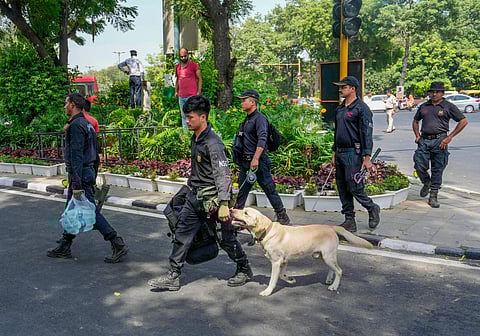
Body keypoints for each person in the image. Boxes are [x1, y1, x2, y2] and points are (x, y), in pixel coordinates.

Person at [148, 95, 252, 291]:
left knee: (225, 238)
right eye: (186, 117)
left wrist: (223, 203)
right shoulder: (195, 138)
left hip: (213, 201)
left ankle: (244, 268)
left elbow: (223, 174)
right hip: (194, 197)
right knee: (182, 233)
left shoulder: (213, 143)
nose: (187, 121)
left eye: (190, 118)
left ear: (203, 117)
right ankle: (173, 275)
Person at [47, 93, 129, 263]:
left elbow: (76, 155)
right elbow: (95, 152)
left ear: (73, 105)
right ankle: (65, 244)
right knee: (72, 208)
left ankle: (117, 242)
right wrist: (92, 174)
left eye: (66, 103)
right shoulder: (87, 124)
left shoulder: (76, 125)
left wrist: (77, 183)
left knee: (89, 210)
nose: (64, 107)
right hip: (86, 172)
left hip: (80, 174)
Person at [233, 89, 290, 225]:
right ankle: (236, 218)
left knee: (269, 188)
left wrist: (256, 158)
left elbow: (262, 139)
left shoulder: (260, 119)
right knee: (242, 191)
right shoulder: (247, 120)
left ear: (252, 102)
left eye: (244, 100)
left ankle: (282, 215)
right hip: (246, 162)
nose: (241, 103)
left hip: (258, 162)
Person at [331, 76, 380, 233]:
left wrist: (367, 158)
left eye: (343, 87)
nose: (340, 90)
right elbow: (336, 132)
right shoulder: (340, 108)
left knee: (354, 186)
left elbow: (367, 134)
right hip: (340, 152)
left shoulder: (361, 109)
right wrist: (333, 152)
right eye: (340, 87)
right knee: (342, 187)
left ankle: (371, 207)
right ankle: (349, 220)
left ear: (352, 88)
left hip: (354, 152)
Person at [412, 81, 468, 208]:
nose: (434, 94)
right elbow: (415, 121)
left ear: (442, 93)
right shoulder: (424, 106)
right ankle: (426, 182)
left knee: (438, 169)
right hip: (424, 140)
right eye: (432, 92)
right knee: (419, 165)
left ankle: (433, 196)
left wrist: (449, 137)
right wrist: (417, 136)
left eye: (437, 92)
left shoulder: (448, 106)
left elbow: (463, 121)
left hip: (440, 140)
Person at [175, 48, 202, 129]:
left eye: (185, 56)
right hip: (181, 95)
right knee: (184, 115)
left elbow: (199, 78)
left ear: (188, 55)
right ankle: (185, 135)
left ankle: (194, 131)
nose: (183, 58)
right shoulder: (178, 67)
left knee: (192, 114)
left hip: (191, 95)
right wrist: (176, 91)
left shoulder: (194, 65)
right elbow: (178, 79)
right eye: (181, 56)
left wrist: (198, 92)